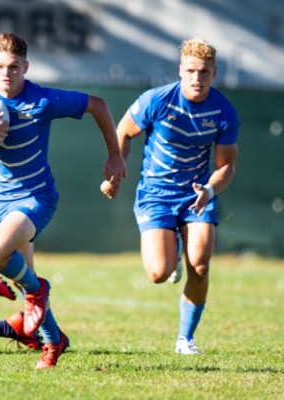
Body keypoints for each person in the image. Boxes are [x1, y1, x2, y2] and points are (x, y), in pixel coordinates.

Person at [0, 32, 127, 369]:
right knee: (26, 282)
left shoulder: (42, 100)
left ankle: (40, 291)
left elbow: (98, 104)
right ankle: (54, 342)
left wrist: (115, 156)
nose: (6, 74)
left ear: (26, 66)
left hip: (37, 197)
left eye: (13, 67)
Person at [101, 38, 239, 355]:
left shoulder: (224, 111)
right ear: (180, 70)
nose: (196, 78)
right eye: (190, 70)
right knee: (158, 273)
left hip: (196, 195)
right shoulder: (157, 100)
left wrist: (209, 189)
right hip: (156, 194)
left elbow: (226, 166)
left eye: (204, 72)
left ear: (214, 73)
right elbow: (122, 132)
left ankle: (185, 339)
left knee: (201, 265)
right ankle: (173, 245)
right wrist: (115, 175)